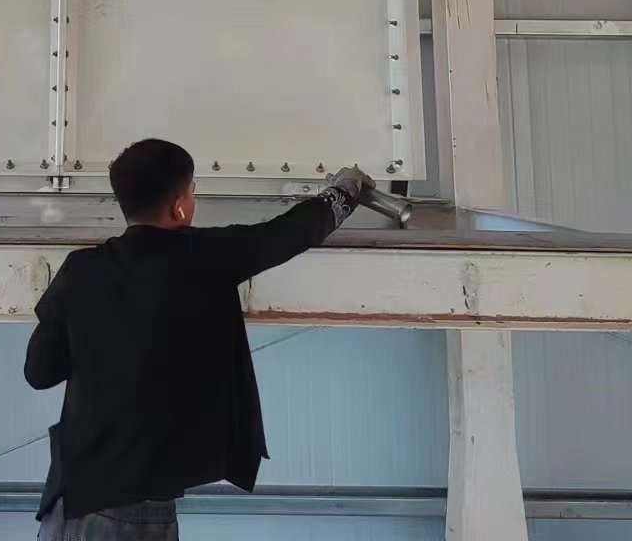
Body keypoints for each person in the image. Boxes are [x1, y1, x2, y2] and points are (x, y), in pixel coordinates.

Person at [24, 138, 374, 540]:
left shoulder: (81, 270)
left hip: (68, 500)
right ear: (179, 206)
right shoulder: (207, 257)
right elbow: (289, 232)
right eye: (192, 191)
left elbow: (39, 373)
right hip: (131, 513)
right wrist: (344, 192)